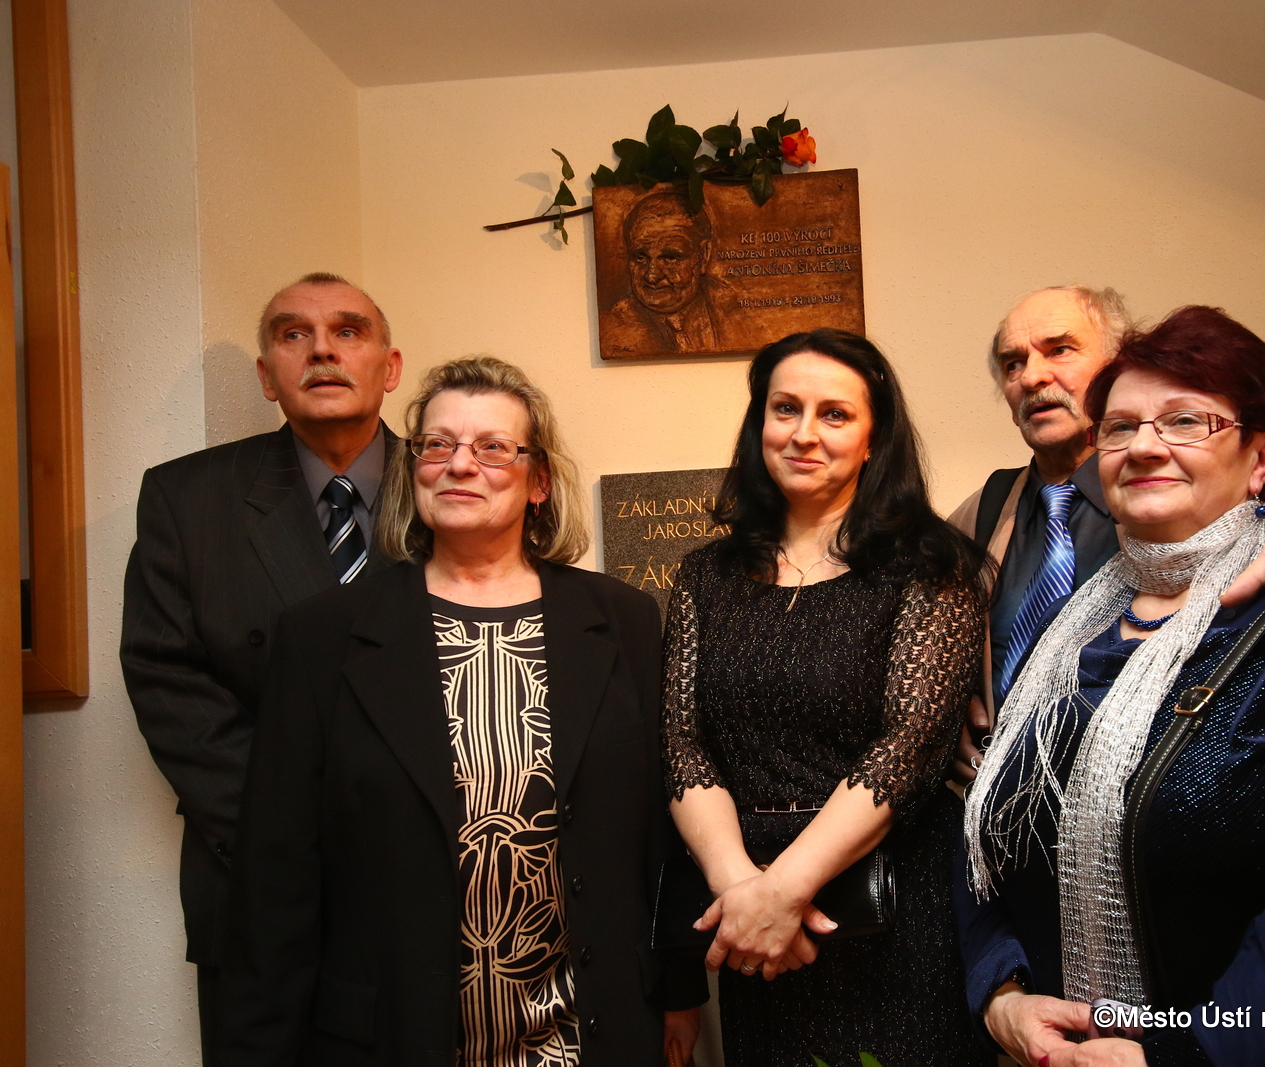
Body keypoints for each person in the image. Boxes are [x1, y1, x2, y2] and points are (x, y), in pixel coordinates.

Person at [958, 307, 1265, 1066]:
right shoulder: (1066, 626)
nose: (1145, 445)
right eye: (1120, 428)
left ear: (1262, 458)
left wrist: (1185, 1056)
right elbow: (984, 824)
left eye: (1186, 420)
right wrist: (1002, 993)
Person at [222, 357, 704, 1065]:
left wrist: (680, 986)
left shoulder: (621, 619)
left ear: (539, 481)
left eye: (492, 447)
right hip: (396, 1033)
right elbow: (276, 869)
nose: (459, 465)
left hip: (588, 1027)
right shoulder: (323, 636)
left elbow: (660, 829)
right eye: (437, 445)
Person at [949, 286, 1265, 782]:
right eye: (1012, 364)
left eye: (1059, 349)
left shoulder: (1223, 481)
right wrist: (945, 711)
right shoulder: (986, 511)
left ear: (1116, 362)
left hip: (1169, 796)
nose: (1032, 376)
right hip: (1000, 804)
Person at [662, 329, 992, 1066]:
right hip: (751, 930)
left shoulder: (931, 566)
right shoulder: (705, 574)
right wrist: (743, 892)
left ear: (874, 439)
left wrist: (786, 891)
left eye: (835, 414)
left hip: (892, 919)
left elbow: (910, 746)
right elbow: (683, 744)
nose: (804, 433)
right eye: (785, 408)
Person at [120, 272, 403, 1062]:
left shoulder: (460, 484)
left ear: (390, 366)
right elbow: (167, 679)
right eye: (293, 334)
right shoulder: (187, 499)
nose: (322, 350)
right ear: (266, 376)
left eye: (348, 330)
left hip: (440, 878)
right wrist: (295, 827)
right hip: (255, 884)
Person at [599, 188, 751, 357]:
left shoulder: (738, 312)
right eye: (640, 258)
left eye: (670, 258)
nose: (652, 276)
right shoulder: (615, 325)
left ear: (704, 255)